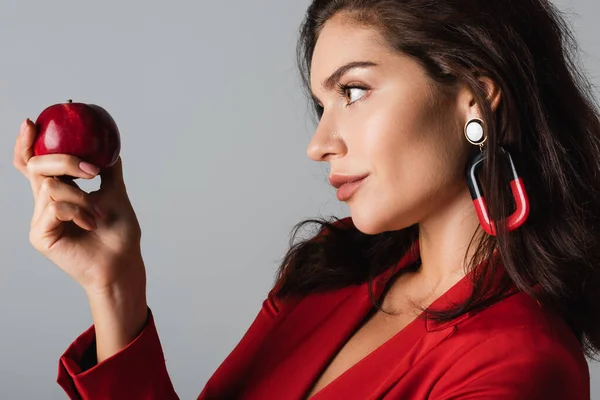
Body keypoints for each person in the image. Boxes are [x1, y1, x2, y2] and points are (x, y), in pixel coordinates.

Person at [12, 0, 600, 398]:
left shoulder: (517, 368)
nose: (320, 143)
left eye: (354, 90)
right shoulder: (336, 267)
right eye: (323, 105)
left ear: (475, 97)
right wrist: (114, 284)